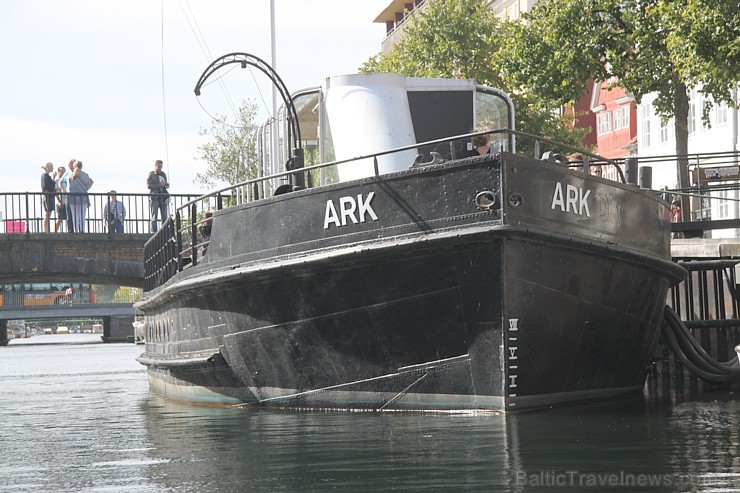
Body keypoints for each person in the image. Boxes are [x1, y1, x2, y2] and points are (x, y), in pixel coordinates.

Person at [68, 160, 94, 233]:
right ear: (81, 166)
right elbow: (89, 183)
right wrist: (85, 189)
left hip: (73, 197)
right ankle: (82, 230)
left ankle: (76, 230)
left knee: (74, 215)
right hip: (83, 197)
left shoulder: (70, 176)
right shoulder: (85, 175)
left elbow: (69, 187)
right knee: (82, 215)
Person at [147, 159, 170, 233]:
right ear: (155, 166)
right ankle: (154, 232)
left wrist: (166, 185)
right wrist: (159, 185)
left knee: (164, 216)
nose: (160, 168)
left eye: (161, 166)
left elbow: (164, 184)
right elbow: (149, 186)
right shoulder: (151, 174)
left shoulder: (163, 174)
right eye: (159, 166)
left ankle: (164, 231)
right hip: (155, 197)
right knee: (154, 216)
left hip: (163, 197)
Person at [40, 162, 56, 233]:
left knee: (48, 213)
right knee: (47, 213)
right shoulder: (45, 176)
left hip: (48, 196)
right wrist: (53, 179)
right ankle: (46, 230)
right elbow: (46, 186)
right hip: (48, 196)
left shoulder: (46, 176)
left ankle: (46, 229)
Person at [54, 166, 69, 232]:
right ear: (58, 172)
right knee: (60, 219)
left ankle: (68, 231)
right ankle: (55, 232)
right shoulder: (57, 181)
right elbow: (56, 192)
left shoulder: (66, 181)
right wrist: (59, 201)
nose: (63, 173)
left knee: (67, 218)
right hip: (60, 202)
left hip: (66, 202)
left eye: (64, 171)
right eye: (61, 171)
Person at [62, 159, 76, 232]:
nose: (69, 166)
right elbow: (61, 182)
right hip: (69, 195)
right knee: (69, 213)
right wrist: (64, 192)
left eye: (70, 164)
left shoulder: (78, 172)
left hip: (76, 196)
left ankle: (77, 229)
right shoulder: (67, 173)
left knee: (76, 214)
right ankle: (70, 230)